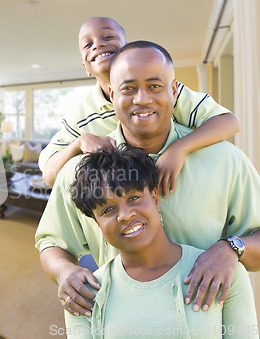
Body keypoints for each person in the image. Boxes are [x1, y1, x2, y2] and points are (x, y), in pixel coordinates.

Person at [35, 41, 260, 319]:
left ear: (174, 90)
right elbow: (51, 242)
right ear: (111, 93)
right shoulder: (80, 171)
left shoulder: (227, 160)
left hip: (207, 324)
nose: (142, 99)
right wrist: (63, 271)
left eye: (155, 86)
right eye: (128, 89)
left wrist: (233, 248)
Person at [63, 148, 257, 338]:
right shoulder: (84, 295)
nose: (125, 215)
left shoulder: (222, 271)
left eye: (134, 198)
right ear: (97, 223)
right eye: (107, 210)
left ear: (155, 198)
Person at [39, 17, 240, 194]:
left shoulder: (163, 92)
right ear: (85, 67)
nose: (97, 45)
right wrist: (79, 142)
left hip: (179, 187)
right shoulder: (80, 111)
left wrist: (179, 148)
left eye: (108, 37)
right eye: (88, 44)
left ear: (128, 47)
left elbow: (229, 122)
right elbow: (49, 175)